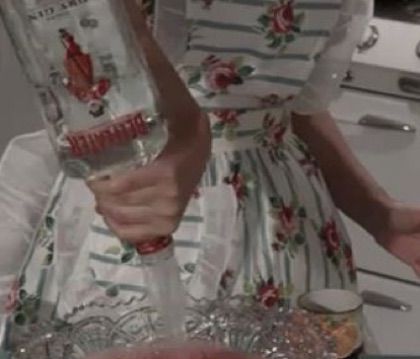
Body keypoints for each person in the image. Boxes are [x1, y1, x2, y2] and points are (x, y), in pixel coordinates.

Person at [1, 0, 420, 337]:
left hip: (290, 229)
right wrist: (184, 130)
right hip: (149, 204)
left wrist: (376, 211)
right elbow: (84, 42)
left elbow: (290, 107)